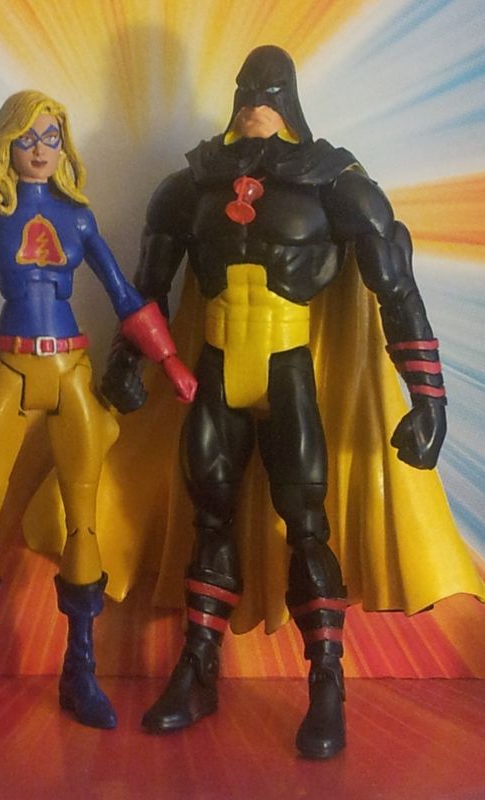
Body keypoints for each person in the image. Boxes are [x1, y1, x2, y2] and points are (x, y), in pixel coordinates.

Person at [102, 45, 454, 759]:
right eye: (248, 89)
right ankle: (198, 668)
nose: (257, 102)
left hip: (286, 369)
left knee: (307, 528)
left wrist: (427, 396)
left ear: (290, 97)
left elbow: (394, 286)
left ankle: (326, 682)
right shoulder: (192, 184)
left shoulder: (334, 182)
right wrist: (124, 360)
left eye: (270, 90)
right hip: (213, 370)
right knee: (209, 519)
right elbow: (148, 287)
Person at [0, 90, 196, 739]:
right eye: (28, 138)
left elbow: (124, 294)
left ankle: (79, 671)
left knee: (84, 524)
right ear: (7, 143)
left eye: (51, 137)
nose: (41, 149)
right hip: (10, 366)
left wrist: (169, 360)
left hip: (70, 368)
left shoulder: (77, 217)